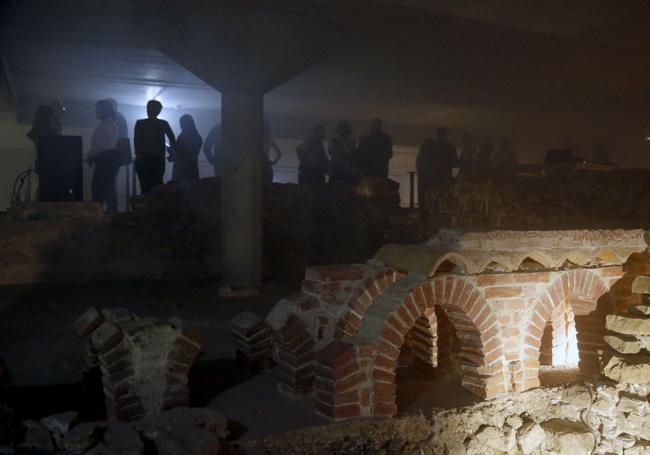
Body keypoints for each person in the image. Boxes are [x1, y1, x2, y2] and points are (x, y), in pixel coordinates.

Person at [133, 100, 176, 194]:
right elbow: (172, 139)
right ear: (159, 111)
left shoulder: (140, 123)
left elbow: (136, 141)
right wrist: (172, 154)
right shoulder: (163, 123)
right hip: (158, 160)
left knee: (144, 187)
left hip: (143, 160)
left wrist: (138, 155)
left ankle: (145, 207)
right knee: (156, 187)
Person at [87, 100, 119, 213]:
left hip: (105, 159)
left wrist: (89, 156)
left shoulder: (106, 125)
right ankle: (111, 215)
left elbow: (98, 146)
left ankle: (101, 216)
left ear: (104, 110)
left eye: (98, 109)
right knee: (108, 189)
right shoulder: (111, 124)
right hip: (109, 159)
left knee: (99, 189)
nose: (95, 111)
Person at [416, 127, 457, 209]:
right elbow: (454, 163)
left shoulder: (431, 146)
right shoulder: (450, 146)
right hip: (443, 176)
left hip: (432, 176)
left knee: (429, 197)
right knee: (440, 197)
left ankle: (427, 211)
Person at [171, 114, 203, 181]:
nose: (180, 126)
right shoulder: (196, 136)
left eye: (181, 124)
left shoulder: (184, 136)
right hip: (191, 169)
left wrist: (173, 149)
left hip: (182, 171)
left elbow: (183, 153)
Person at [328, 120, 357, 184]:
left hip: (346, 170)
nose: (343, 130)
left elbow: (352, 155)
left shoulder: (352, 142)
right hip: (336, 169)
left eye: (345, 128)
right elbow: (332, 153)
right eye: (342, 128)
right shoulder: (333, 141)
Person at [263, 119, 282, 184]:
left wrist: (273, 162)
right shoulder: (269, 140)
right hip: (266, 164)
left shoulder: (268, 140)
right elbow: (279, 154)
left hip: (265, 164)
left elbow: (279, 154)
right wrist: (273, 162)